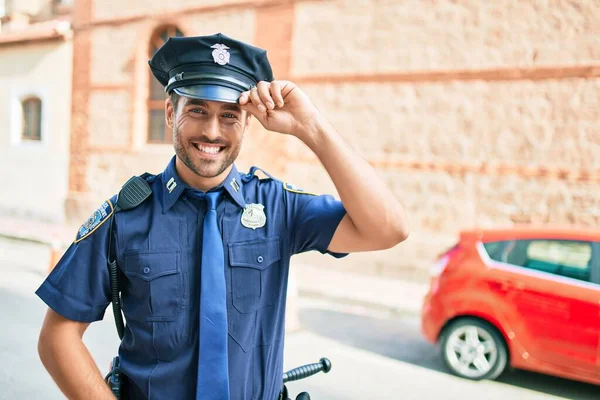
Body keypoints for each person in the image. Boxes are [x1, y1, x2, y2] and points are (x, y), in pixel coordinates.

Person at [35, 33, 409, 400]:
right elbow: (58, 337)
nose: (212, 131)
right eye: (197, 110)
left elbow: (388, 229)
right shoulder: (126, 216)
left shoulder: (278, 207)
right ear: (170, 112)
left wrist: (310, 127)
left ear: (247, 123)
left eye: (229, 115)